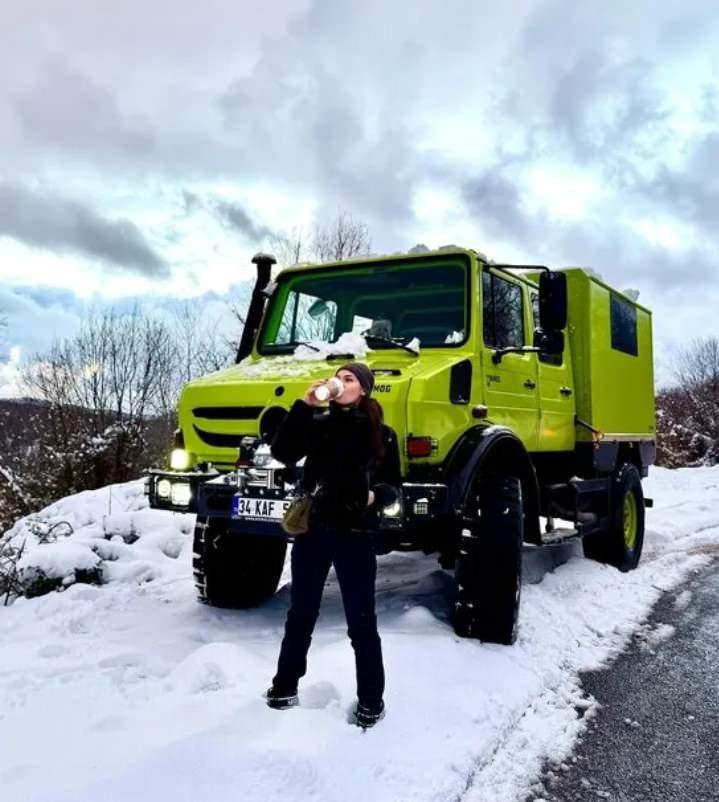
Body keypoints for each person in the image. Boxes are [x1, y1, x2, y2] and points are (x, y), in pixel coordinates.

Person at [264, 362, 401, 728]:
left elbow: (394, 489)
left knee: (361, 623)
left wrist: (373, 496)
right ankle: (283, 687)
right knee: (301, 614)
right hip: (314, 533)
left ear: (364, 389)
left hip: (354, 537)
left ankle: (371, 701)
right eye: (338, 377)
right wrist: (305, 406)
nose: (340, 383)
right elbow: (283, 452)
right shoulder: (319, 424)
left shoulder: (382, 435)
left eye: (349, 378)